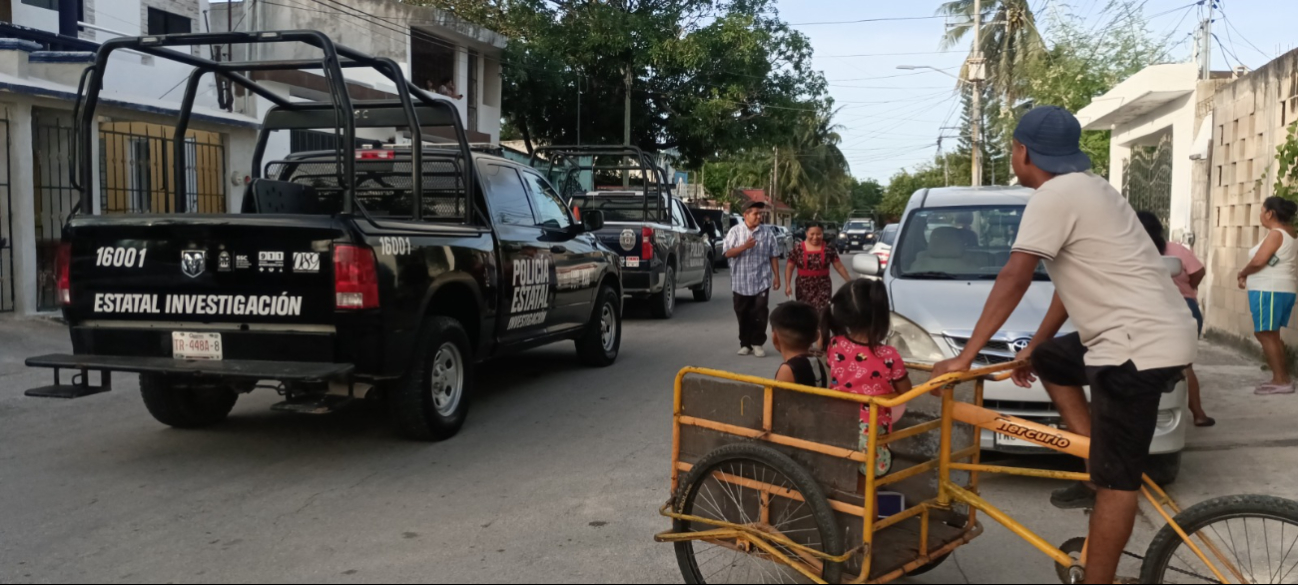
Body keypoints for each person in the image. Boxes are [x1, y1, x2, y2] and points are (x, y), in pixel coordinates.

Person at [929, 106, 1196, 585]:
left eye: (1013, 148)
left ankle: (1100, 551)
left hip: (1134, 348)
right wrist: (1035, 346)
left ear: (1023, 151)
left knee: (1119, 486)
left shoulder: (1053, 196)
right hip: (1149, 333)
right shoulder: (1093, 189)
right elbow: (1064, 286)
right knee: (1051, 359)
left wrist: (965, 357)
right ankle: (1095, 460)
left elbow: (1015, 275)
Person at [822, 279, 911, 477]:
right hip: (870, 431)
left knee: (844, 482)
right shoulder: (889, 355)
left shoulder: (834, 345)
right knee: (867, 489)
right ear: (879, 317)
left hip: (835, 423)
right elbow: (905, 392)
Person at [1137, 211, 1214, 426]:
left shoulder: (1130, 251)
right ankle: (1198, 414)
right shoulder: (1176, 250)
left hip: (1147, 310)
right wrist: (1189, 287)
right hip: (1184, 308)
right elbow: (1198, 270)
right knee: (1184, 364)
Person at [1237, 196, 1298, 395]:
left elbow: (1259, 261)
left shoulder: (1276, 234)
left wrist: (1243, 273)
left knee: (1264, 333)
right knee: (1271, 333)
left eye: (1262, 211)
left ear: (1270, 213)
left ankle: (1281, 381)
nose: (1260, 215)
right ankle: (1281, 378)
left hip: (1270, 289)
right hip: (1277, 289)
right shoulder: (1288, 232)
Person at [724, 201, 782, 357]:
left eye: (760, 214)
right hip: (740, 281)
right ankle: (745, 344)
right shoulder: (735, 232)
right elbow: (728, 253)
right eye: (755, 214)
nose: (759, 216)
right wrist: (744, 246)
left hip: (761, 280)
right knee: (742, 312)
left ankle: (757, 343)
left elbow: (773, 255)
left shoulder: (767, 233)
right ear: (746, 215)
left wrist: (777, 277)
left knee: (760, 311)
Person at [783, 222, 853, 311]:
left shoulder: (829, 249)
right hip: (803, 287)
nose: (815, 237)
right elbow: (789, 267)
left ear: (822, 234)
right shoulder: (798, 249)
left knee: (822, 312)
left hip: (823, 286)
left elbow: (839, 267)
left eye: (818, 234)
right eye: (812, 234)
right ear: (806, 233)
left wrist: (849, 281)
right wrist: (788, 285)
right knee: (805, 312)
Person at [771, 301, 829, 388]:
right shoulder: (817, 362)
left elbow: (779, 400)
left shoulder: (787, 370)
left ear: (775, 337)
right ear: (816, 336)